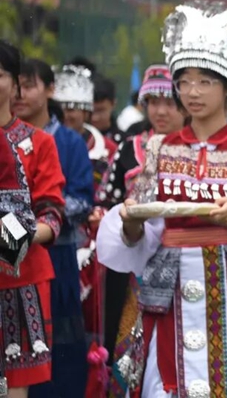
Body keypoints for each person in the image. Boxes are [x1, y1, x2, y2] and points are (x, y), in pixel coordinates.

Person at [96, 1, 227, 398]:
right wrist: (131, 224)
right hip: (168, 290)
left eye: (205, 81)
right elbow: (141, 235)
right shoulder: (158, 150)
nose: (192, 92)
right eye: (184, 81)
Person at [92, 64, 186, 397]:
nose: (160, 111)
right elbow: (105, 200)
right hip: (135, 269)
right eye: (152, 102)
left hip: (185, 263)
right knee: (128, 349)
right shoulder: (128, 147)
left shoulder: (195, 148)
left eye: (169, 102)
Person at [15, 59, 95, 398]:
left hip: (56, 255)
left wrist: (39, 215)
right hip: (10, 258)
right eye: (15, 83)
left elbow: (81, 200)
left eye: (29, 85)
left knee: (59, 344)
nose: (20, 93)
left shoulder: (67, 142)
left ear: (50, 90)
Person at [0, 41, 66, 396]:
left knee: (16, 385)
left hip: (22, 276)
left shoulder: (38, 143)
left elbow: (52, 214)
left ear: (16, 85)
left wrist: (11, 237)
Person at [53, 66, 118, 191]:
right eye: (60, 110)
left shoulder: (108, 148)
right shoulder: (45, 142)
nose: (65, 116)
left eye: (71, 109)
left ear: (86, 113)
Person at [92, 75, 124, 144]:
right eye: (91, 111)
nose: (95, 118)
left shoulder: (126, 143)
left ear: (113, 104)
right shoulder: (75, 142)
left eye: (100, 110)